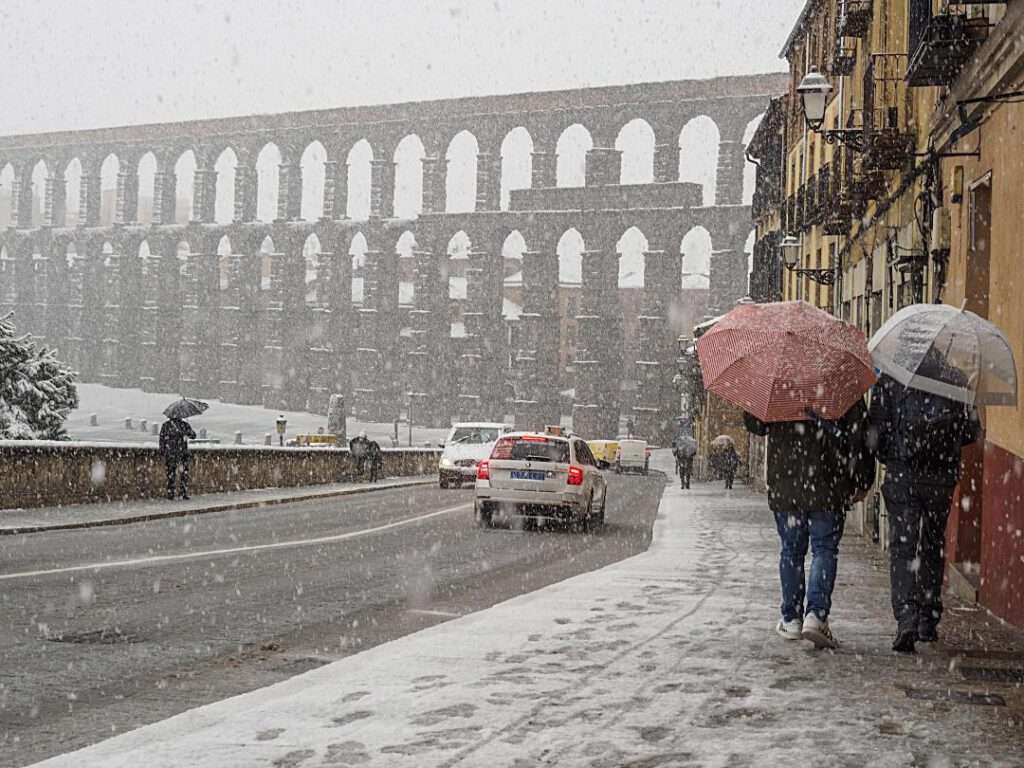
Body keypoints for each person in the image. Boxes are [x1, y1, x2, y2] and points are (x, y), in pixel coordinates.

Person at [744, 399, 874, 649]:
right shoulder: (839, 382)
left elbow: (755, 424)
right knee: (824, 549)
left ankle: (791, 618)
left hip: (786, 485)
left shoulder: (779, 383)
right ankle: (816, 615)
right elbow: (861, 437)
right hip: (829, 484)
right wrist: (862, 480)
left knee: (791, 550)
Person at [868, 370, 981, 653]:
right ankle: (928, 620)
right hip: (939, 480)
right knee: (932, 544)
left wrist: (893, 456)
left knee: (903, 548)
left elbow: (875, 435)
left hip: (902, 475)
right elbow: (969, 433)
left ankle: (906, 619)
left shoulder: (891, 379)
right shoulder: (954, 379)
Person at [159, 416, 196, 500]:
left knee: (171, 474)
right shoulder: (184, 425)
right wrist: (188, 431)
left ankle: (171, 493)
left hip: (171, 453)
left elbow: (161, 440)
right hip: (182, 453)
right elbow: (193, 436)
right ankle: (183, 492)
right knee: (184, 474)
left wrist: (163, 451)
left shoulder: (166, 425)